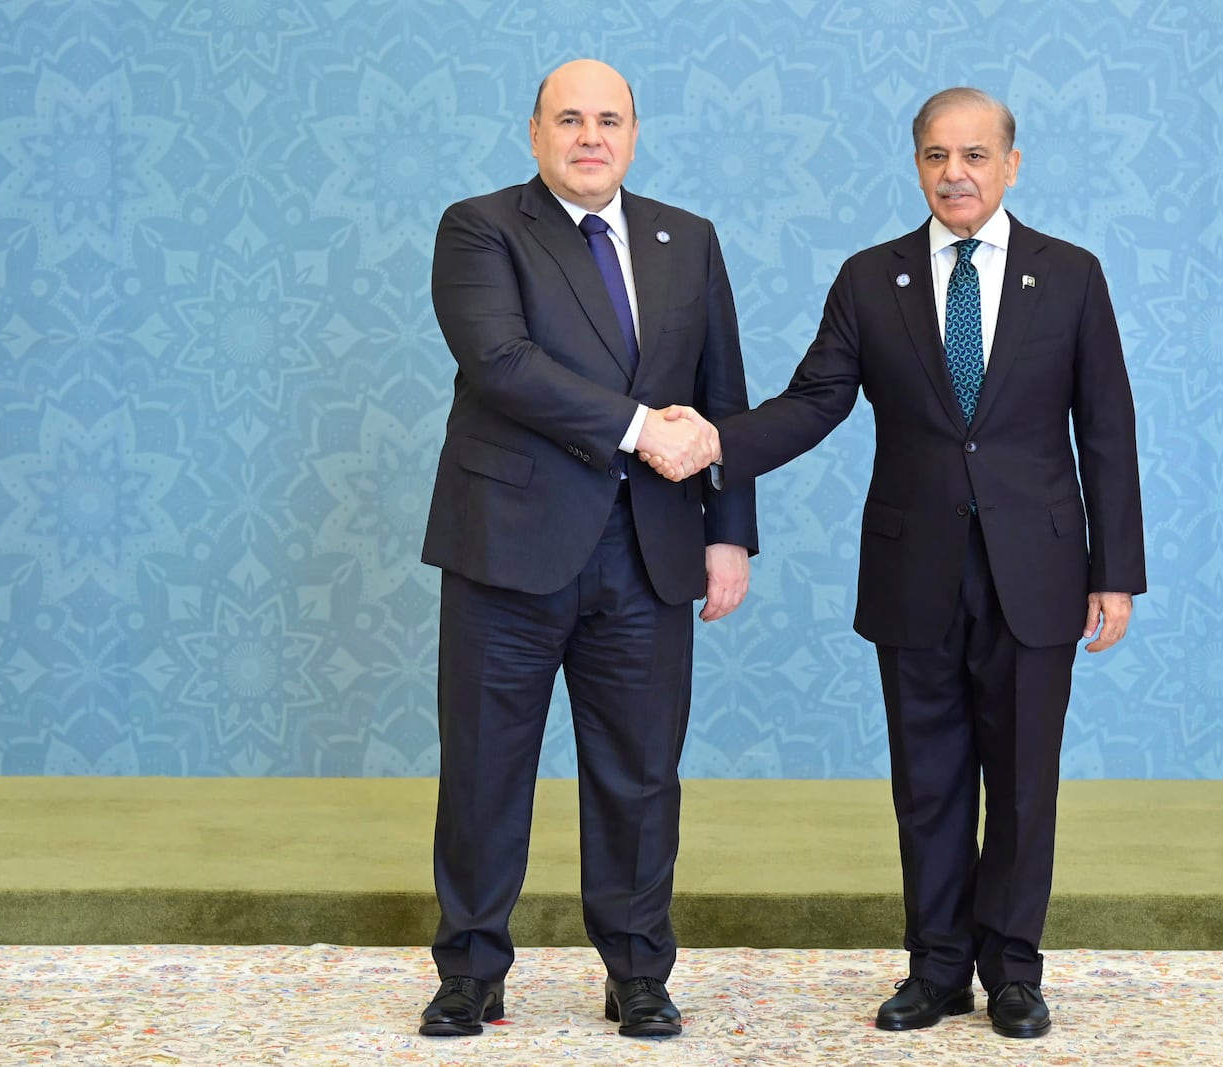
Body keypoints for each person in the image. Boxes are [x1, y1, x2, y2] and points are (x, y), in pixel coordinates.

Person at [645, 87, 1144, 1039]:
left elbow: (1107, 428)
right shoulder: (872, 279)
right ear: (915, 164)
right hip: (914, 569)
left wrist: (1113, 568)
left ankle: (1015, 972)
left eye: (974, 155)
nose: (954, 173)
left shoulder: (1070, 275)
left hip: (1037, 573)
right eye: (934, 156)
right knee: (929, 782)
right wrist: (714, 441)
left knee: (1024, 781)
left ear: (1011, 162)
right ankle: (937, 969)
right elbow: (814, 399)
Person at [418, 58, 757, 1041]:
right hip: (507, 549)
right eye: (568, 119)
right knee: (484, 768)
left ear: (635, 134)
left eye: (609, 119)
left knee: (642, 774)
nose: (589, 136)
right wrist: (640, 425)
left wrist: (729, 534)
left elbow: (720, 391)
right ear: (535, 134)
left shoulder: (684, 240)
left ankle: (638, 972)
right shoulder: (480, 227)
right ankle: (470, 970)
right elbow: (501, 363)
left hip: (650, 551)